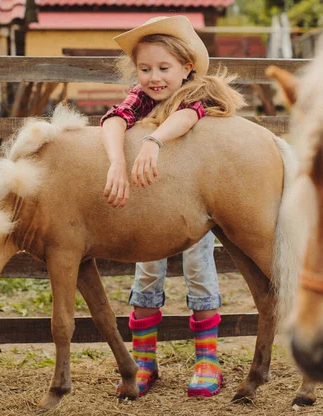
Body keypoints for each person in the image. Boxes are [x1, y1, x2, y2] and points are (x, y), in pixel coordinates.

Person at [99, 15, 245, 398]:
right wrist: (116, 161)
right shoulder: (142, 97)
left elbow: (187, 116)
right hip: (151, 209)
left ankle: (207, 360)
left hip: (194, 210)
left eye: (164, 68)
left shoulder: (196, 94)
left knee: (200, 272)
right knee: (146, 278)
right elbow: (114, 120)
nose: (154, 77)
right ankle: (144, 362)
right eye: (145, 69)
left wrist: (152, 141)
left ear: (187, 67)